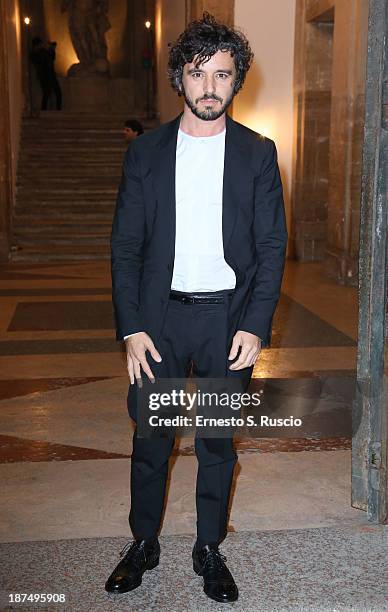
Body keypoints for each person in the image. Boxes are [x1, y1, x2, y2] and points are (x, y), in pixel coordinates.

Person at [107, 12, 287, 604]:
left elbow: (269, 248)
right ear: (179, 79)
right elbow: (127, 245)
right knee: (151, 438)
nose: (210, 87)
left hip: (225, 324)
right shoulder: (148, 153)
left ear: (237, 83)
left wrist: (256, 327)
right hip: (158, 322)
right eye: (198, 74)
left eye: (223, 75)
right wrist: (131, 327)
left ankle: (209, 546)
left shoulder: (259, 155)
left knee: (215, 442)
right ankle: (143, 542)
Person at [30, 37, 62, 111]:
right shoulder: (36, 54)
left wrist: (52, 50)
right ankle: (44, 109)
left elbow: (52, 58)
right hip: (44, 75)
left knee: (57, 92)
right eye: (41, 44)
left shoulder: (43, 52)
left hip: (50, 74)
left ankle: (57, 109)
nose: (42, 45)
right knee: (47, 93)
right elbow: (40, 62)